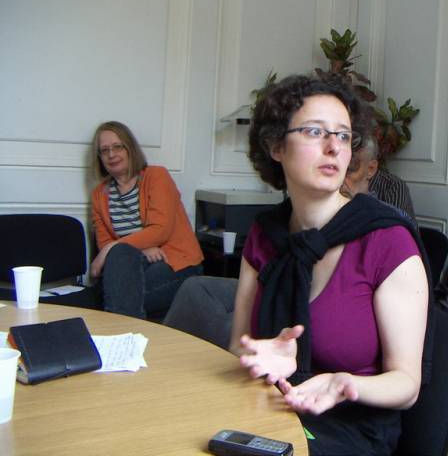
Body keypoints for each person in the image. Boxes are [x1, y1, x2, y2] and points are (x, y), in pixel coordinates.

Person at [228, 75, 430, 455]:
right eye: (314, 131)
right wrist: (262, 358)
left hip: (351, 430)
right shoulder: (264, 235)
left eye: (343, 136)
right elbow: (238, 348)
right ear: (276, 146)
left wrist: (342, 384)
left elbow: (407, 385)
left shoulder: (386, 241)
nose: (333, 147)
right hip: (270, 412)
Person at [90, 121, 203, 319]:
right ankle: (127, 334)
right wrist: (141, 249)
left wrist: (112, 247)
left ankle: (119, 332)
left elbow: (160, 230)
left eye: (118, 147)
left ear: (130, 148)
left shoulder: (156, 176)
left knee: (118, 293)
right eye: (104, 150)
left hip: (175, 263)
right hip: (133, 264)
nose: (111, 154)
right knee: (120, 283)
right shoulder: (100, 194)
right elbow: (106, 245)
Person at [341, 136, 417, 223]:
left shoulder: (393, 186)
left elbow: (390, 224)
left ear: (371, 168)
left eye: (349, 170)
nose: (340, 178)